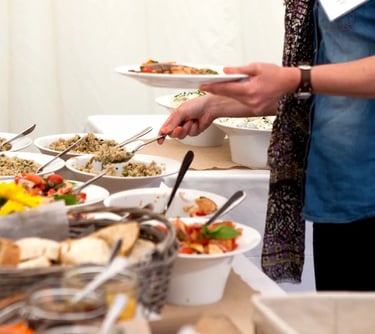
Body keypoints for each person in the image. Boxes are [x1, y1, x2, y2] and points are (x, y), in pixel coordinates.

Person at [158, 0, 375, 291]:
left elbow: (305, 80)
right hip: (337, 190)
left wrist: (294, 78)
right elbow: (329, 81)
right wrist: (219, 103)